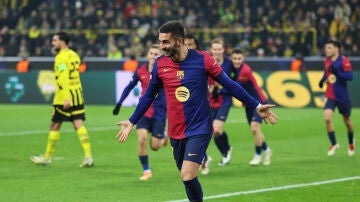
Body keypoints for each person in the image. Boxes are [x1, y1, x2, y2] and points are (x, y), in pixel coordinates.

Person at [116, 21, 278, 202]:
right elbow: (148, 96)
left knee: (187, 174)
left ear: (179, 41)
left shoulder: (203, 59)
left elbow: (230, 85)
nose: (162, 47)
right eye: (160, 42)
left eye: (165, 42)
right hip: (176, 132)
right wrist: (132, 120)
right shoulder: (161, 65)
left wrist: (256, 105)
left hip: (200, 128)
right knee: (187, 178)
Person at [31, 31, 94, 167]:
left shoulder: (60, 58)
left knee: (55, 125)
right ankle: (88, 157)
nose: (52, 43)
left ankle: (47, 158)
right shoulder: (75, 55)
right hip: (77, 94)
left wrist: (66, 97)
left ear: (62, 42)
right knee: (78, 124)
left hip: (64, 96)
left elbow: (64, 76)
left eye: (55, 40)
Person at [112, 44, 167, 180]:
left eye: (156, 54)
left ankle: (164, 135)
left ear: (160, 56)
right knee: (141, 140)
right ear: (147, 55)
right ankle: (146, 171)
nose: (153, 56)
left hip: (159, 113)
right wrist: (119, 103)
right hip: (143, 112)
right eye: (151, 53)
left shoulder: (164, 71)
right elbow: (129, 86)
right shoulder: (141, 70)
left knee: (155, 146)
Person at [231, 49, 273, 166]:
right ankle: (267, 150)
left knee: (255, 128)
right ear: (231, 59)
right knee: (255, 130)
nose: (237, 61)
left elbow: (234, 87)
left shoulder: (245, 70)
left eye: (239, 58)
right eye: (235, 58)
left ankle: (258, 155)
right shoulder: (233, 69)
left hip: (260, 102)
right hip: (249, 104)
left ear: (243, 59)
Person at [318, 40, 355, 156]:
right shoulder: (327, 61)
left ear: (336, 49)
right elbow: (327, 72)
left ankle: (351, 143)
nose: (326, 50)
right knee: (327, 118)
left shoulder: (344, 61)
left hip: (342, 97)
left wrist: (338, 73)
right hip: (330, 95)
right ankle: (334, 144)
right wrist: (322, 79)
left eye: (329, 48)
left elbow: (350, 76)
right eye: (326, 48)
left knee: (347, 121)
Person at [184, 34, 212, 175]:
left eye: (191, 44)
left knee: (196, 137)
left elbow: (215, 76)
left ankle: (203, 160)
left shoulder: (202, 60)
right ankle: (203, 158)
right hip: (182, 109)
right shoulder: (176, 62)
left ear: (196, 46)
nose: (188, 47)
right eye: (186, 44)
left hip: (200, 108)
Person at [208, 39, 233, 166]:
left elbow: (236, 78)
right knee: (213, 131)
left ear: (223, 50)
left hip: (224, 100)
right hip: (211, 100)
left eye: (219, 49)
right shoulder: (207, 63)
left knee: (217, 129)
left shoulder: (229, 64)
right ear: (211, 50)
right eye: (215, 49)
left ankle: (227, 149)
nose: (217, 51)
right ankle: (225, 152)